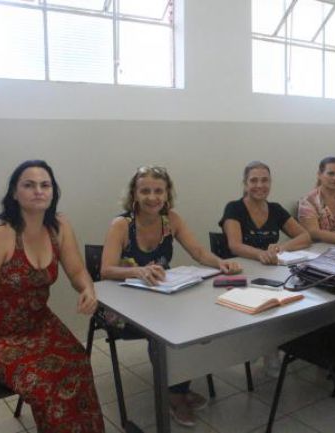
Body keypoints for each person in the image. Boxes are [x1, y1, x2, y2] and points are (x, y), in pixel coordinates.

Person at [0, 160, 104, 433]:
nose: (38, 191)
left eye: (45, 185)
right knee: (47, 382)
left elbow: (77, 270)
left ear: (53, 192)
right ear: (14, 192)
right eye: (28, 185)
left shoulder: (60, 227)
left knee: (79, 361)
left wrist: (87, 289)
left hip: (39, 324)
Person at [100, 165, 241, 427]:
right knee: (169, 332)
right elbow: (105, 270)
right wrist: (138, 271)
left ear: (167, 194)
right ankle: (175, 395)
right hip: (123, 307)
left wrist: (221, 263)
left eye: (158, 191)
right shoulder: (121, 224)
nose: (152, 197)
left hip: (162, 298)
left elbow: (199, 252)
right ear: (134, 194)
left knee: (198, 322)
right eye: (145, 191)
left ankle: (178, 386)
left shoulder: (171, 220)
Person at [220, 161, 311, 265]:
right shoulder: (234, 208)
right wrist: (260, 254)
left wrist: (281, 247)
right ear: (245, 184)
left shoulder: (276, 209)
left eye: (265, 180)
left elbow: (305, 237)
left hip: (269, 268)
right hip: (240, 269)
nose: (259, 185)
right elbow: (235, 246)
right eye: (253, 180)